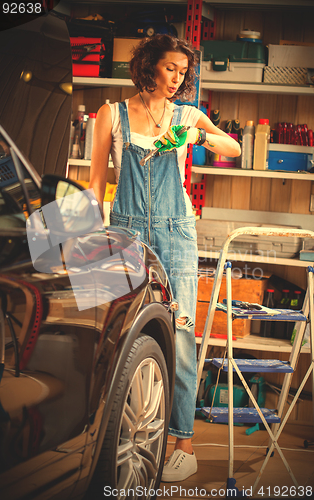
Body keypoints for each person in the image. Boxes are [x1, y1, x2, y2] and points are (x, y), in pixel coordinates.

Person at [89, 34, 241, 483]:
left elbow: (232, 148)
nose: (177, 78)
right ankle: (119, 428)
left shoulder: (188, 115)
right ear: (149, 65)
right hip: (125, 232)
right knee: (116, 334)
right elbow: (97, 185)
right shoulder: (110, 114)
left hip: (175, 234)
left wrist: (199, 135)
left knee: (180, 334)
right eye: (169, 68)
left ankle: (183, 443)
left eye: (182, 71)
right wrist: (82, 239)